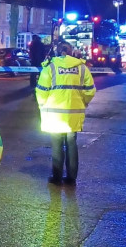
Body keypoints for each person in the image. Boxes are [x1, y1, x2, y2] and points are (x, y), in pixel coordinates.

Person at [36, 41, 96, 185]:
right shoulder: (82, 68)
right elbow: (90, 91)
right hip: (74, 114)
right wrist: (83, 103)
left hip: (54, 114)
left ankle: (56, 177)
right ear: (71, 52)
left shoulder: (50, 67)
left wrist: (42, 107)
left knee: (57, 145)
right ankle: (71, 177)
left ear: (57, 51)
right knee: (71, 144)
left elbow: (41, 91)